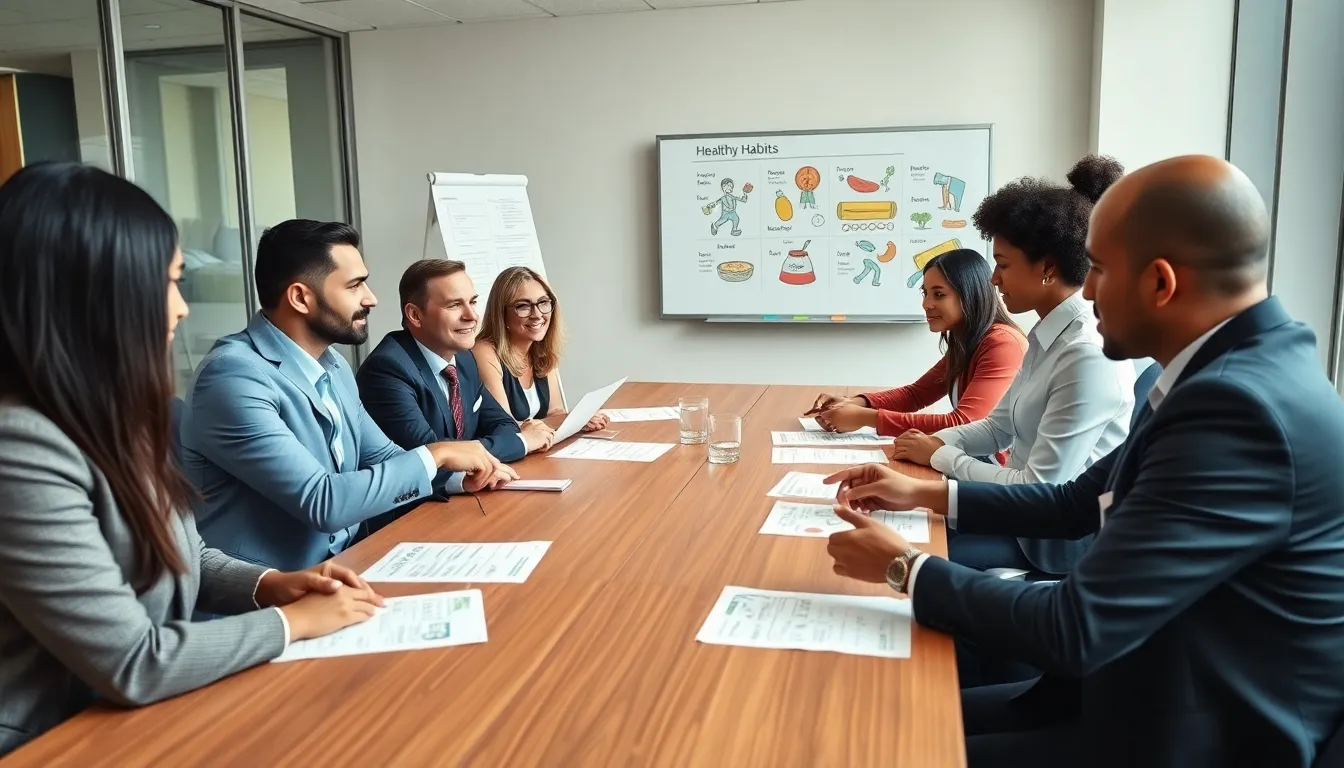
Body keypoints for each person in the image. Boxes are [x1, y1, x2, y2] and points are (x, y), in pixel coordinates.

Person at [823, 155, 1344, 767]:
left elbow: (1076, 627)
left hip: (1186, 731)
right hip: (1131, 689)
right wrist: (923, 494)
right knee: (878, 718)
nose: (1087, 289)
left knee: (872, 744)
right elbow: (1076, 502)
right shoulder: (1220, 373)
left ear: (1160, 282)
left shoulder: (1235, 408)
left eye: (1096, 270)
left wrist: (907, 568)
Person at [0, 163, 385, 756]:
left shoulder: (125, 416)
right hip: (54, 740)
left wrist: (272, 585)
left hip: (141, 718)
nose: (180, 309)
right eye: (169, 283)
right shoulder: (19, 449)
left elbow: (186, 554)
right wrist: (294, 624)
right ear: (95, 293)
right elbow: (134, 661)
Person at [182, 220, 517, 572]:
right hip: (269, 594)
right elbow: (323, 501)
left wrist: (458, 477)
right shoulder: (232, 377)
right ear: (300, 297)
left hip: (348, 566)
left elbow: (383, 456)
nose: (370, 298)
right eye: (355, 285)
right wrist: (440, 453)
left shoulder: (333, 365)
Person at [891, 155, 1135, 579]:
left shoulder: (1085, 355)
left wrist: (942, 456)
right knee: (898, 526)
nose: (993, 280)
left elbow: (1037, 490)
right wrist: (926, 443)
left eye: (1002, 265)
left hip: (1047, 543)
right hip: (1016, 517)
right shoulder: (1045, 337)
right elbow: (995, 427)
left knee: (900, 550)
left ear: (1047, 268)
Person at [357, 259, 555, 473]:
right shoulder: (387, 369)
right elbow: (434, 458)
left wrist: (508, 442)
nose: (472, 316)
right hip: (419, 504)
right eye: (454, 305)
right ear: (415, 315)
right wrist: (523, 442)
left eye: (473, 302)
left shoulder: (464, 359)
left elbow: (504, 425)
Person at [807, 249, 1027, 438]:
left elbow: (965, 423)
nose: (926, 304)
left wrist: (866, 418)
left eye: (939, 294)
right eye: (925, 293)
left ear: (971, 295)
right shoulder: (968, 341)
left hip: (998, 472)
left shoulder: (1002, 344)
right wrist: (854, 403)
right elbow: (916, 395)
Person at [472, 266, 607, 432]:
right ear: (501, 313)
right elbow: (505, 428)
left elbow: (554, 412)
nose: (537, 314)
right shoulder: (483, 352)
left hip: (536, 451)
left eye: (543, 303)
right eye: (523, 306)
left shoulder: (541, 349)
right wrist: (568, 420)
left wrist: (579, 420)